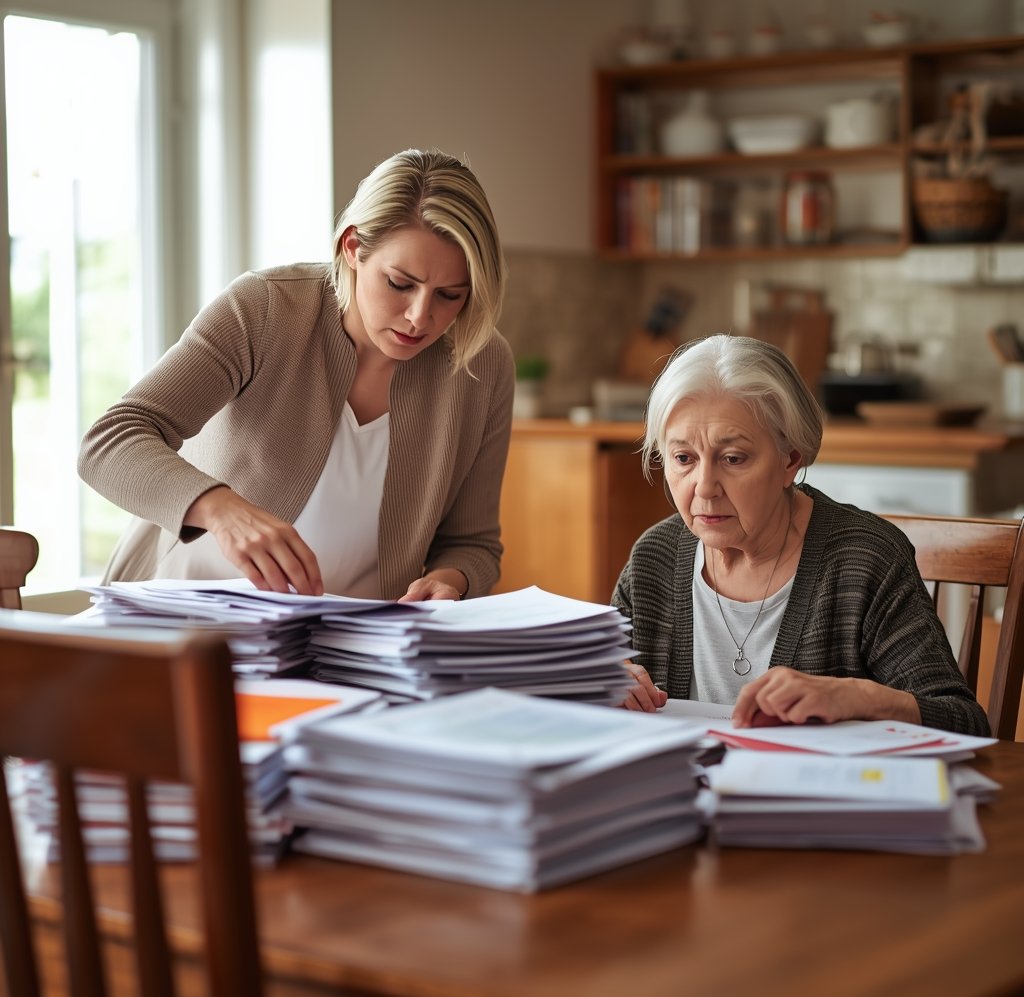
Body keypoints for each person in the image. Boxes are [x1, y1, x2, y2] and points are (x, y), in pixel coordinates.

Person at [78, 148, 513, 602]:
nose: (419, 317)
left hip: (352, 640)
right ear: (352, 248)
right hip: (177, 614)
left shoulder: (483, 364)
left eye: (449, 295)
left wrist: (451, 581)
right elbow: (109, 443)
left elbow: (473, 544)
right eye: (400, 284)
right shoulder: (265, 309)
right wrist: (222, 509)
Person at [613, 334, 990, 736]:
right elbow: (597, 692)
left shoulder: (866, 560)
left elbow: (965, 722)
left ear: (790, 459)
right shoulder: (655, 558)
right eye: (683, 458)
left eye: (733, 458)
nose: (704, 487)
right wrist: (599, 685)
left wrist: (860, 698)